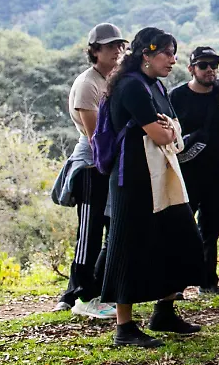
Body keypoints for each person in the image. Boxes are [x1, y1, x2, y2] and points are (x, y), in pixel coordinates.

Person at [99, 28, 204, 348]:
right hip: (133, 179)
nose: (173, 60)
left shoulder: (156, 85)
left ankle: (165, 311)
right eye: (167, 53)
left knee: (182, 236)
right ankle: (124, 327)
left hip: (164, 175)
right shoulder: (131, 87)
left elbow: (172, 127)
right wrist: (168, 129)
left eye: (174, 53)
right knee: (128, 246)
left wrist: (168, 128)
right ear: (146, 54)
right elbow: (162, 135)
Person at [54, 22, 127, 318]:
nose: (117, 51)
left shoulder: (114, 79)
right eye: (110, 47)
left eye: (120, 46)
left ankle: (82, 293)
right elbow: (97, 136)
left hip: (110, 165)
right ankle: (83, 296)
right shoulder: (88, 83)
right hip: (91, 165)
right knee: (89, 231)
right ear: (95, 51)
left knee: (110, 232)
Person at [169, 46, 219, 297]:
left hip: (218, 173)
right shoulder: (177, 96)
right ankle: (175, 286)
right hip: (186, 174)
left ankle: (208, 281)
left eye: (214, 65)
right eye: (204, 65)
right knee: (182, 230)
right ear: (191, 68)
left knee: (211, 229)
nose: (210, 70)